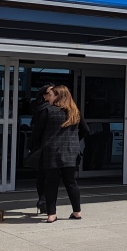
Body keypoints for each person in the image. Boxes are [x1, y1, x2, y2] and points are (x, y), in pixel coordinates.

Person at [28, 85, 88, 223]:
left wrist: (32, 146)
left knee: (51, 183)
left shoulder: (48, 111)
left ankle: (51, 214)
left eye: (51, 95)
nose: (48, 97)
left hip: (51, 151)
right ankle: (77, 212)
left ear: (58, 96)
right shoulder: (74, 111)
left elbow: (38, 132)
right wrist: (74, 140)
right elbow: (86, 130)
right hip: (71, 152)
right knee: (72, 182)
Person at [28, 83, 55, 214]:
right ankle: (43, 201)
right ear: (45, 96)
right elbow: (37, 130)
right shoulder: (44, 110)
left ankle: (43, 201)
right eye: (51, 93)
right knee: (44, 175)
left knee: (45, 175)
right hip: (44, 146)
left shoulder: (57, 108)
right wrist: (32, 145)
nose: (54, 95)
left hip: (50, 146)